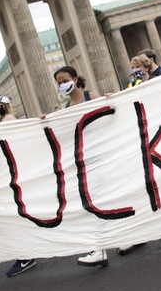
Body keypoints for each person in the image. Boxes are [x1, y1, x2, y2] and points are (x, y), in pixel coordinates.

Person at [49, 66, 121, 267]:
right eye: (59, 83)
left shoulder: (91, 96)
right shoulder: (65, 109)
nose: (62, 85)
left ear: (74, 78)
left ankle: (118, 241)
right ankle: (100, 248)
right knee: (92, 202)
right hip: (85, 160)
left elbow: (111, 115)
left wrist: (111, 100)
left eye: (64, 80)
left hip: (104, 155)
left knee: (109, 197)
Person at [0, 96, 39, 278]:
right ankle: (27, 253)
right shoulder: (3, 120)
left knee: (18, 214)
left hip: (16, 170)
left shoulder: (9, 119)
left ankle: (26, 255)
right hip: (12, 170)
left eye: (1, 105)